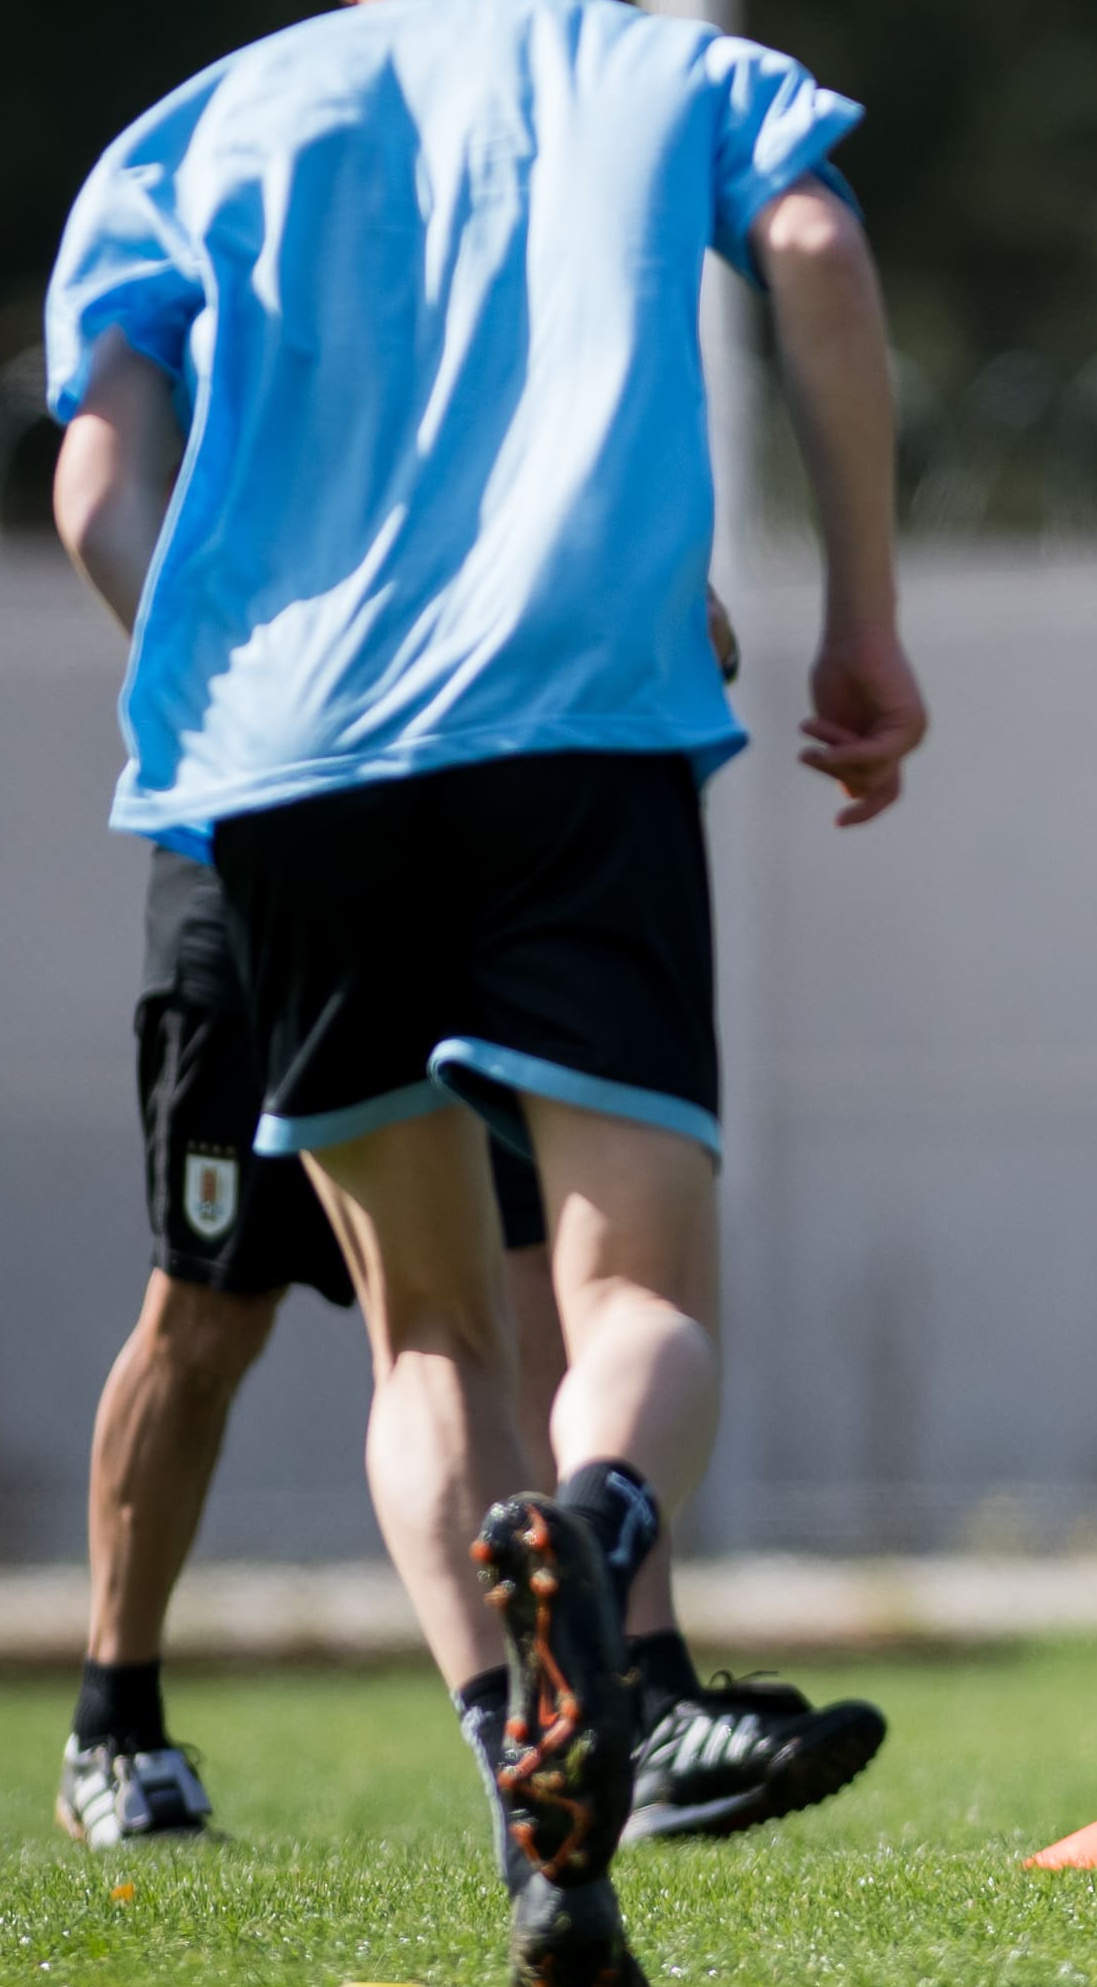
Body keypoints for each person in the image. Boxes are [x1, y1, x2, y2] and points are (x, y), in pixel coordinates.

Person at [44, 0, 926, 1987]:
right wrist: (858, 612)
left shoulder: (200, 125)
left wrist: (219, 690)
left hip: (299, 768)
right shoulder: (660, 70)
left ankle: (538, 1834)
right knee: (630, 1301)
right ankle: (608, 1546)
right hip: (580, 728)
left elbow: (85, 487)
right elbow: (815, 240)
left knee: (426, 1328)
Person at [50, 690, 888, 1856]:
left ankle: (628, 1706)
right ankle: (115, 1719)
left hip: (469, 822)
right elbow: (96, 503)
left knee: (542, 1290)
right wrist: (232, 679)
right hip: (252, 831)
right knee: (213, 1313)